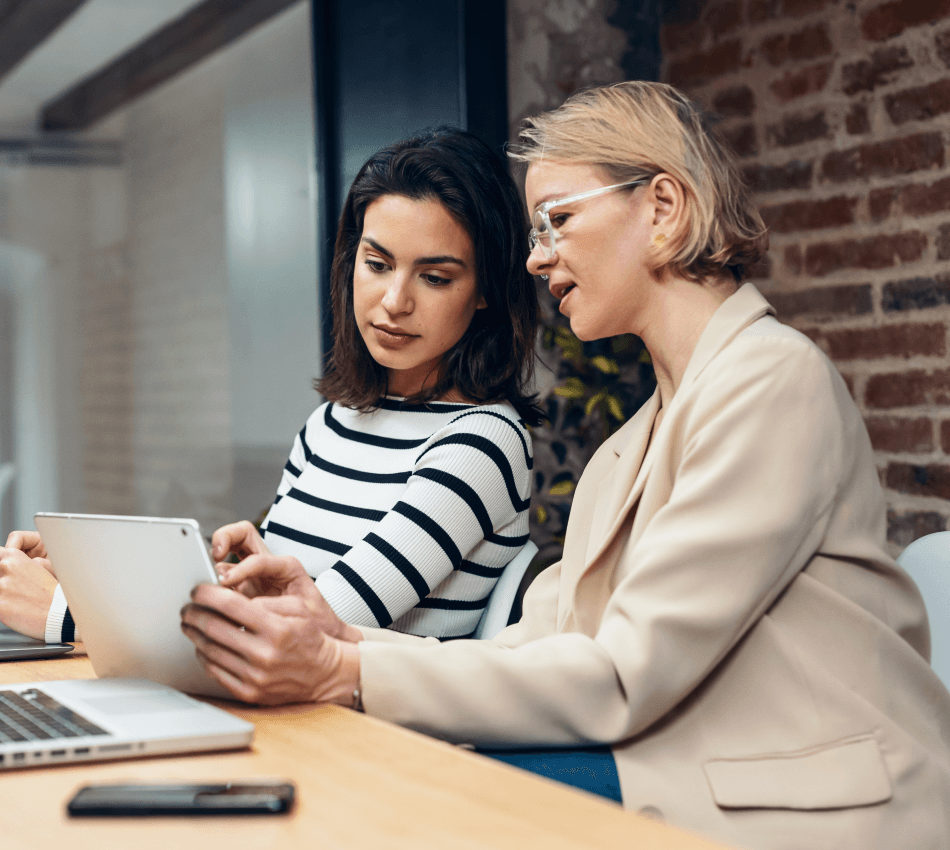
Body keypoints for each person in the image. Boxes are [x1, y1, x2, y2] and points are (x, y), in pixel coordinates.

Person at [188, 81, 947, 848]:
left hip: (814, 798)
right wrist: (342, 640)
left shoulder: (771, 381)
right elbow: (544, 641)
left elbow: (622, 675)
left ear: (661, 207)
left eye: (558, 220)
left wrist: (339, 672)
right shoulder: (636, 439)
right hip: (688, 762)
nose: (536, 257)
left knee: (410, 808)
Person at [0, 127, 542, 643]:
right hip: (260, 701)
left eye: (435, 277)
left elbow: (298, 636)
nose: (395, 301)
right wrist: (89, 574)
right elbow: (264, 611)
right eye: (377, 264)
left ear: (485, 290)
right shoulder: (331, 423)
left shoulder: (482, 444)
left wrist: (65, 614)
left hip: (361, 713)